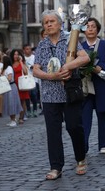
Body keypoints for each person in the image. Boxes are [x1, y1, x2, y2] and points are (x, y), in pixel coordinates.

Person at [33, 9, 89, 180]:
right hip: (49, 94)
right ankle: (56, 167)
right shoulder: (42, 44)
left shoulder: (70, 39)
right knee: (53, 131)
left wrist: (68, 67)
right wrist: (52, 76)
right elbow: (35, 69)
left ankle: (80, 158)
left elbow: (85, 58)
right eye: (46, 22)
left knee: (74, 126)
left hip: (69, 92)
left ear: (60, 24)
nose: (49, 24)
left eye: (52, 21)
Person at [81, 17, 105, 154]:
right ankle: (82, 147)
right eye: (87, 26)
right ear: (83, 30)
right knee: (83, 118)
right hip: (85, 87)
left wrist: (100, 68)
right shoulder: (80, 47)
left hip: (102, 85)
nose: (90, 28)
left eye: (93, 26)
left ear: (97, 29)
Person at [1, 56, 23, 127]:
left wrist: (2, 78)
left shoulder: (9, 68)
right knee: (8, 103)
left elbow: (9, 78)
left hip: (11, 87)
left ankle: (13, 120)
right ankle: (11, 119)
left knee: (11, 104)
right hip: (7, 87)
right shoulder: (5, 68)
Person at [10, 49, 29, 124]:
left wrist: (21, 61)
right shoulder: (10, 63)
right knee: (13, 101)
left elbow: (25, 72)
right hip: (14, 84)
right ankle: (13, 118)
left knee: (22, 101)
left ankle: (21, 117)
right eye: (14, 54)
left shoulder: (22, 62)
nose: (16, 56)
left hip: (22, 83)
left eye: (17, 54)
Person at [23, 44, 38, 118]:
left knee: (34, 95)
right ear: (24, 50)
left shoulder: (34, 57)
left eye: (29, 49)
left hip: (34, 78)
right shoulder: (23, 58)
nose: (28, 50)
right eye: (26, 49)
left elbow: (37, 65)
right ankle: (28, 110)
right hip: (26, 79)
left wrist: (33, 66)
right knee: (27, 96)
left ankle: (35, 109)